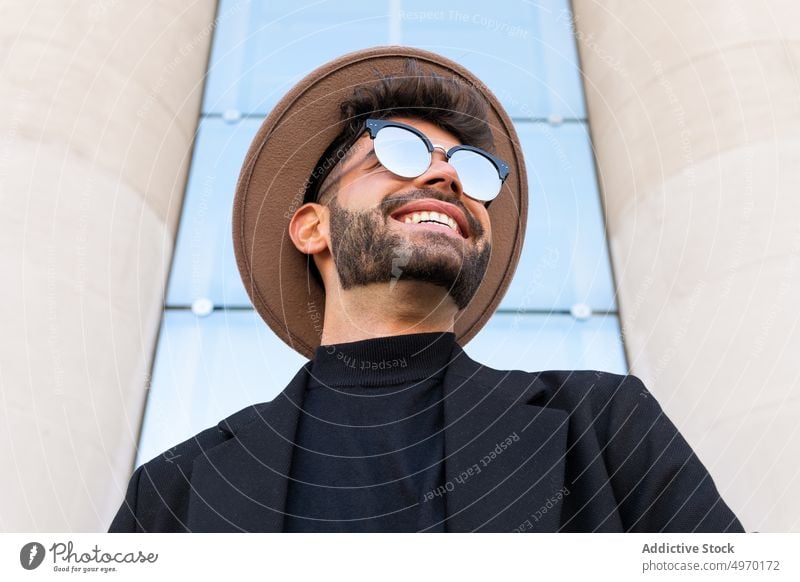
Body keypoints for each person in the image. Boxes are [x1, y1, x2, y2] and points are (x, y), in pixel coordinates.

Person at [109, 47, 743, 533]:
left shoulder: (605, 428)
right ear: (312, 227)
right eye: (401, 153)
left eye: (470, 168)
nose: (447, 176)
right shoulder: (175, 491)